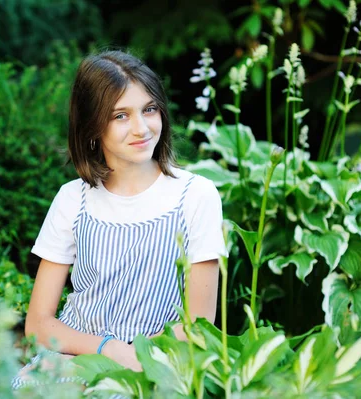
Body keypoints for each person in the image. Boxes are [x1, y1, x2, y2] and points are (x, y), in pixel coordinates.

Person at [12, 49, 226, 389]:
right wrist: (106, 349)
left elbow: (199, 324)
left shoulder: (196, 196)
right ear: (92, 127)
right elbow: (38, 324)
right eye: (120, 116)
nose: (141, 128)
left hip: (155, 361)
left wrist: (138, 358)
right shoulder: (73, 199)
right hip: (73, 356)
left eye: (149, 109)